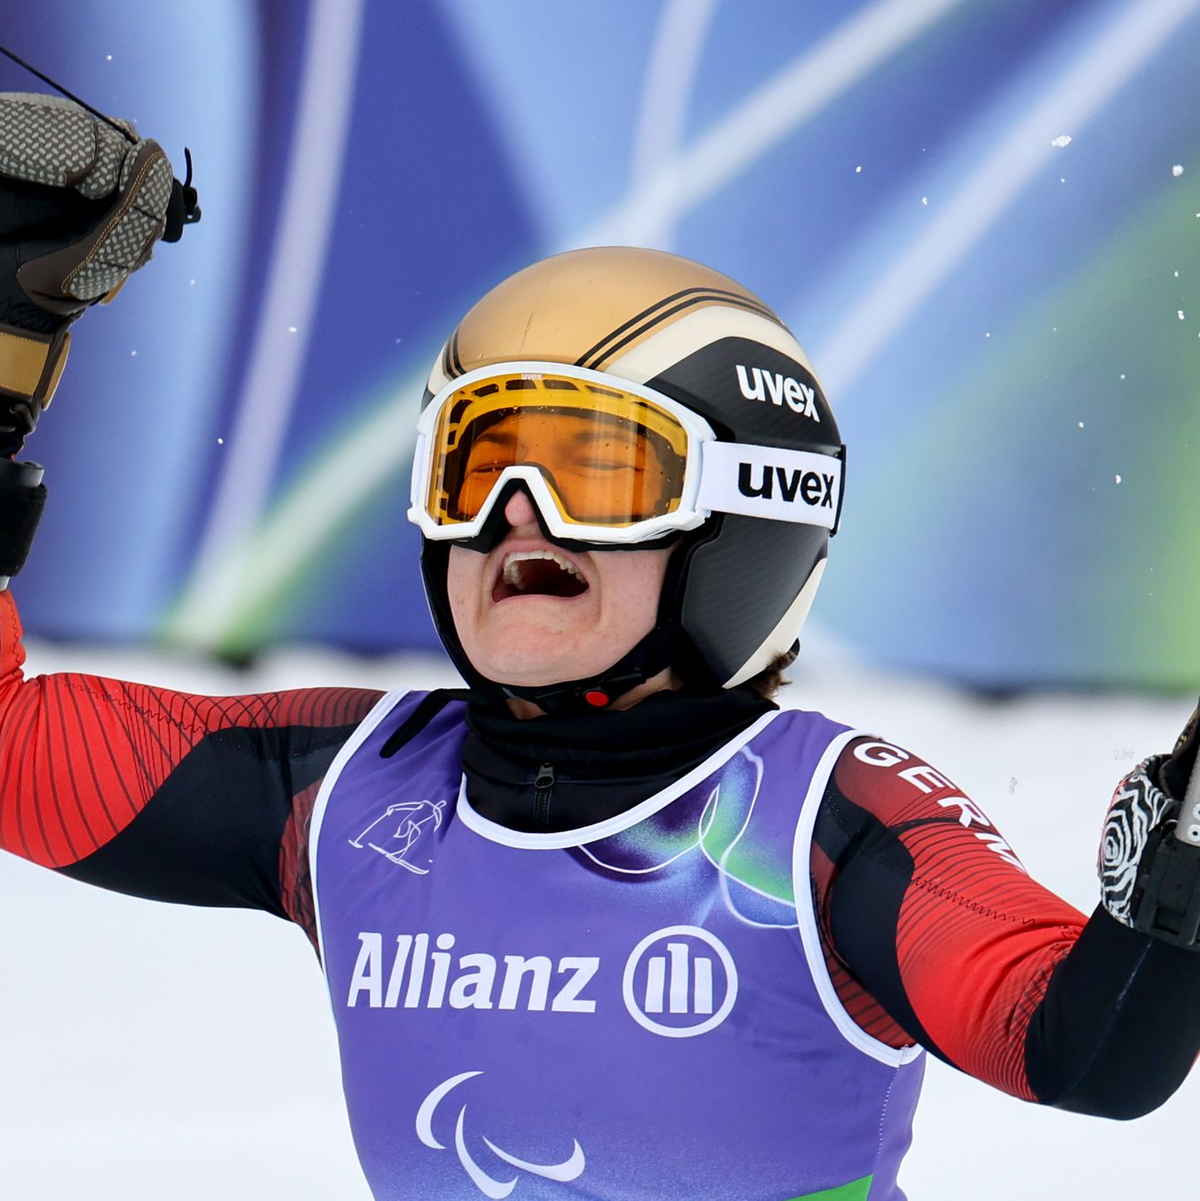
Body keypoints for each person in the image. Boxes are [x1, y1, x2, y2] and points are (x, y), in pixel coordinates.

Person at [2, 93, 1200, 1201]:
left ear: (748, 525)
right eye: (475, 463)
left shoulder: (817, 821)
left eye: (597, 472)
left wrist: (1180, 880)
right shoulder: (347, 789)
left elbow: (1086, 1046)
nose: (514, 512)